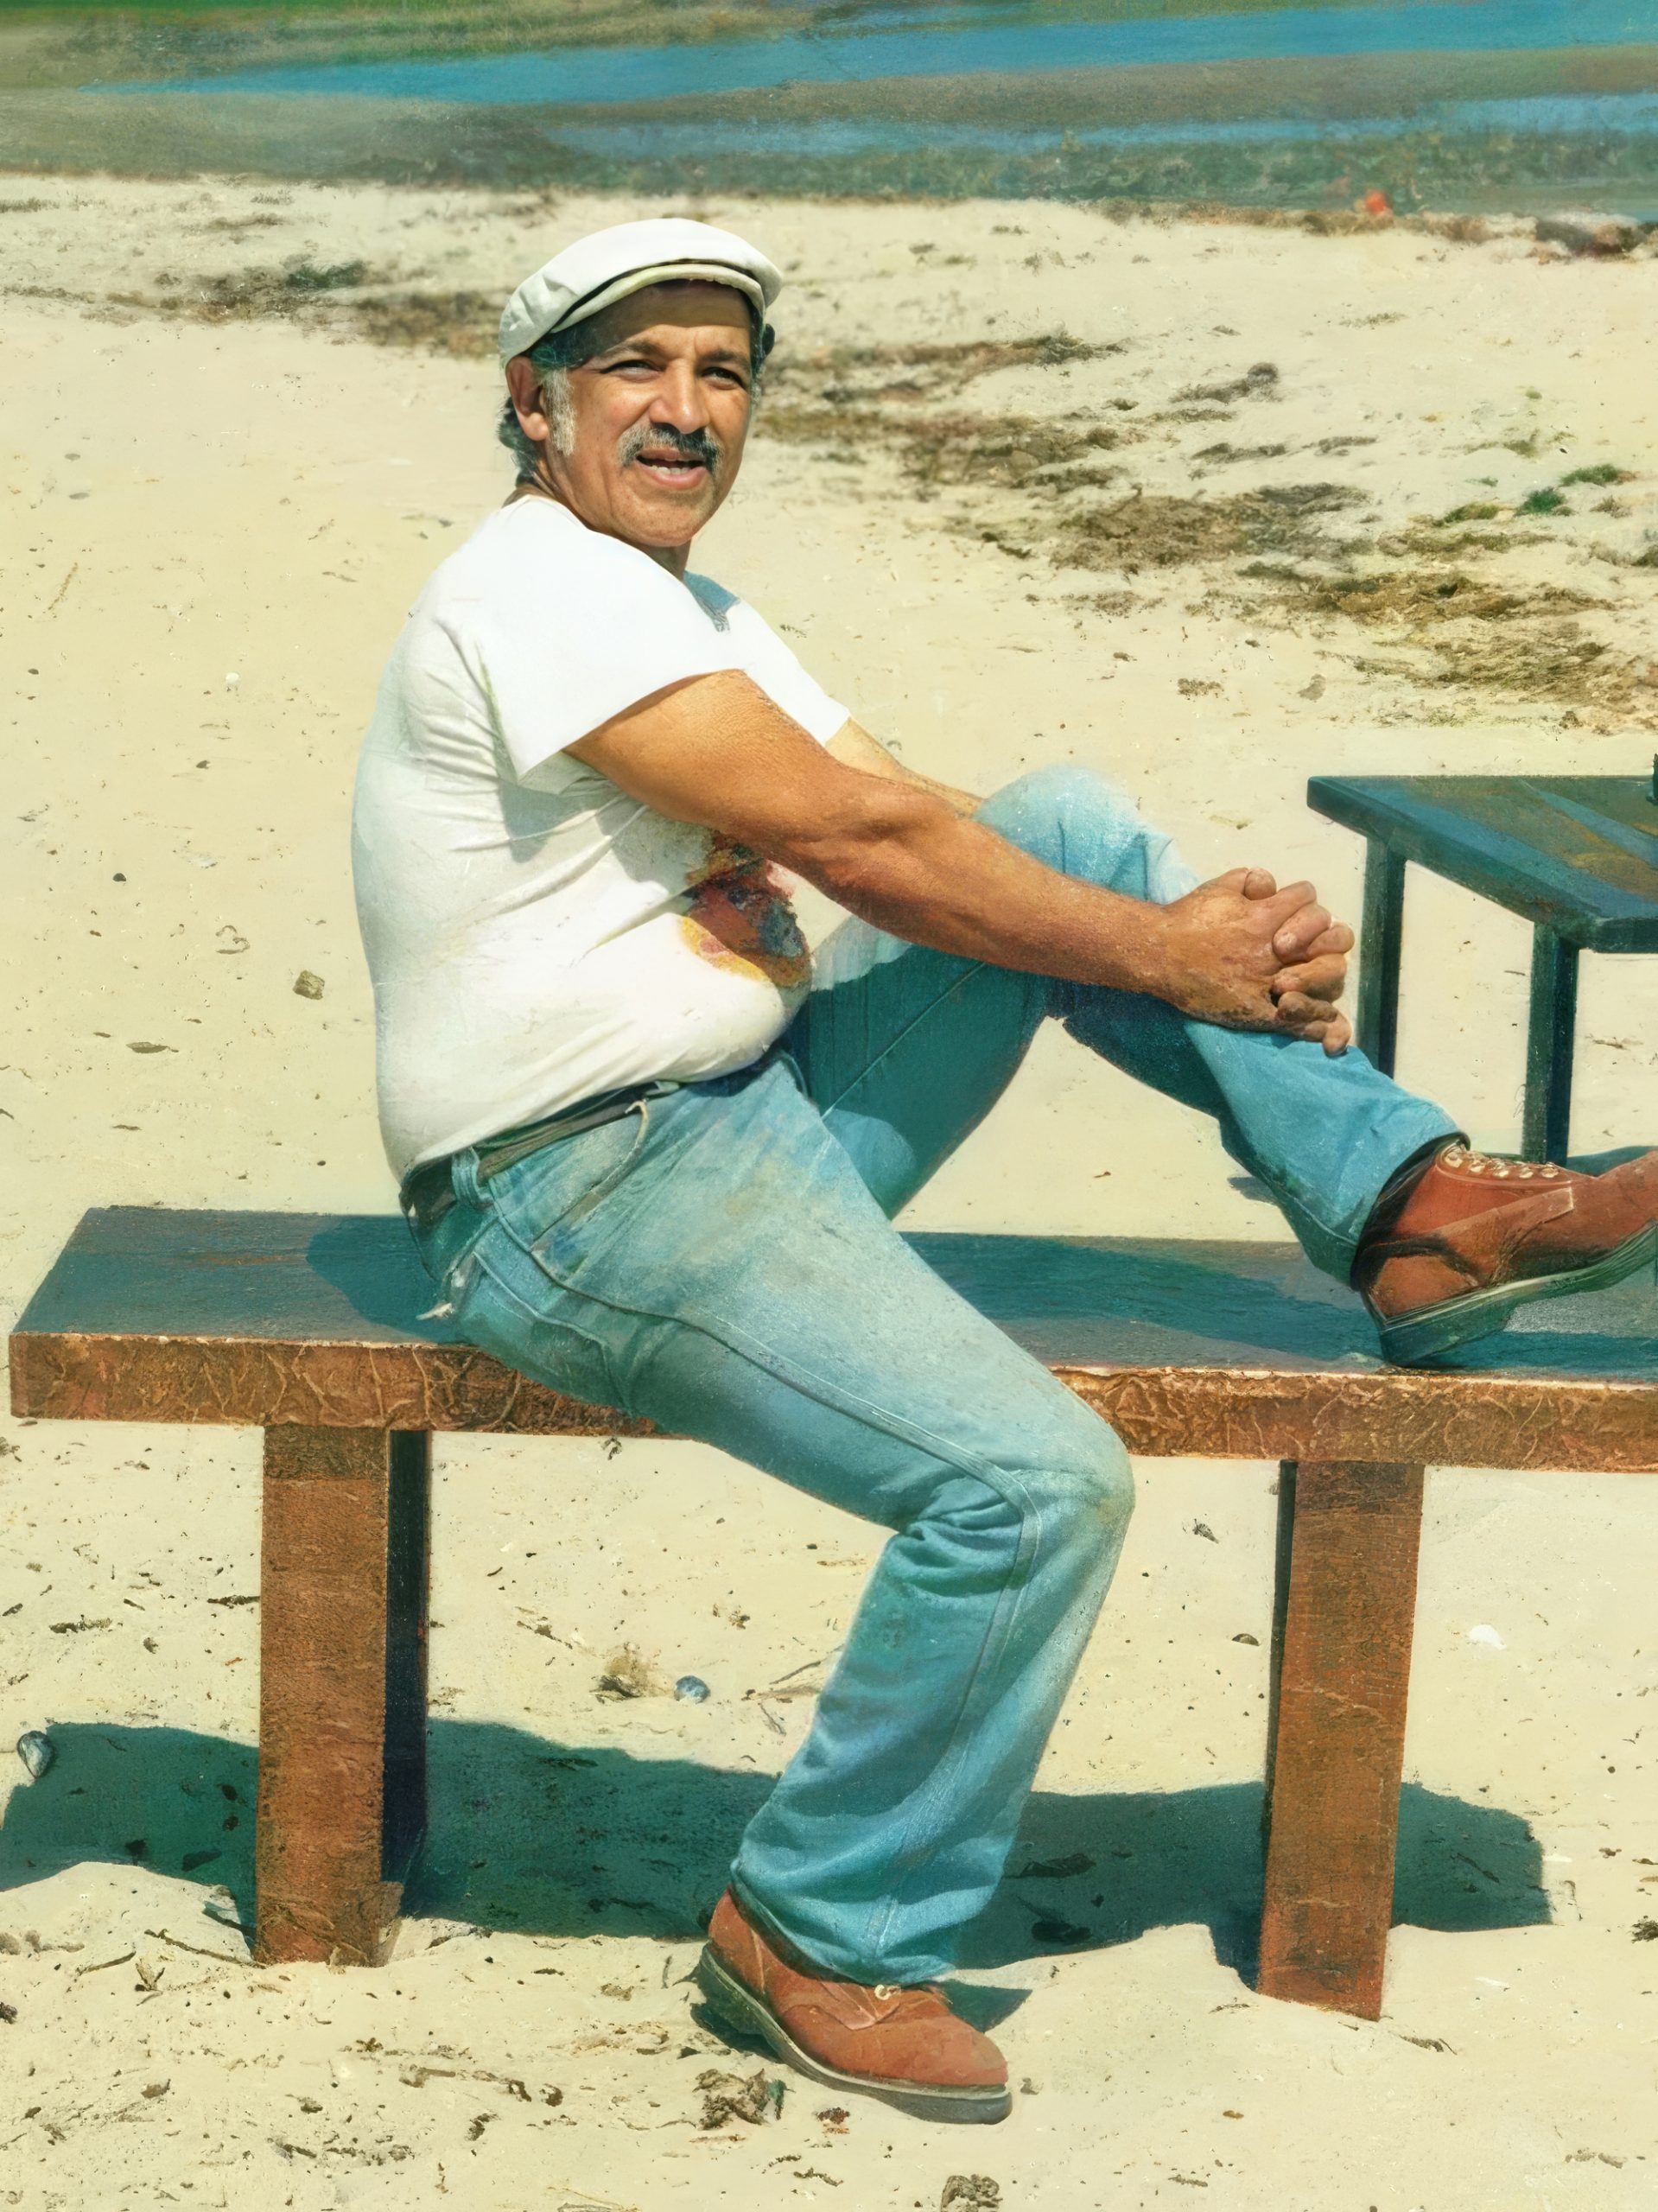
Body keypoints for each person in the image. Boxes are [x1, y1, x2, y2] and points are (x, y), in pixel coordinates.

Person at [351, 219, 1658, 2125]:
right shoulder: (541, 588)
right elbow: (863, 847)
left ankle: (1411, 1210)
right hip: (580, 1191)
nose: (687, 408)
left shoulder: (683, 605)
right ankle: (818, 1930)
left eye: (723, 373)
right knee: (1032, 1488)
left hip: (749, 1107)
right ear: (535, 406)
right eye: (637, 368)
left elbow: (930, 816)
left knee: (1066, 827)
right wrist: (1168, 961)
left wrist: (1205, 938)